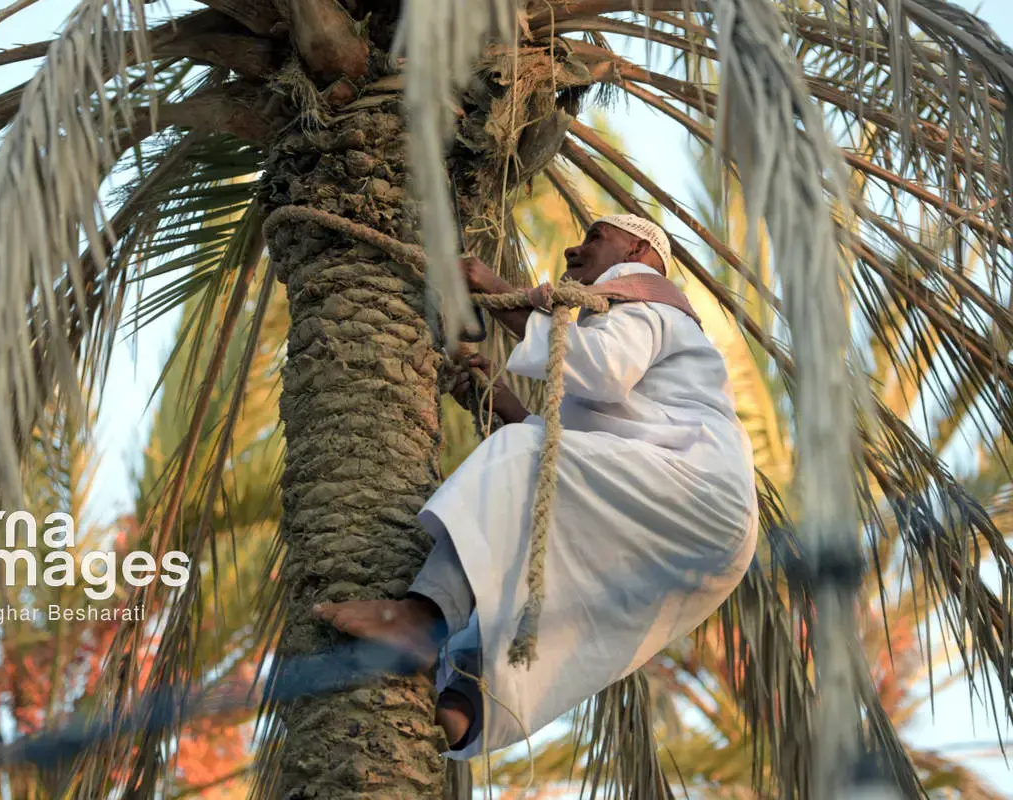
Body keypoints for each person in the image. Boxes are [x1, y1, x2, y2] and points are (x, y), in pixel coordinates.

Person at [314, 214, 759, 758]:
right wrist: (506, 404)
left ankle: (421, 617)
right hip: (701, 527)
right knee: (545, 592)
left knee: (518, 459)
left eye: (596, 235)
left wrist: (497, 290)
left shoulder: (650, 298)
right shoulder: (628, 324)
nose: (574, 249)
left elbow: (601, 370)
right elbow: (574, 450)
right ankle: (463, 706)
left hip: (697, 493)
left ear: (642, 251)